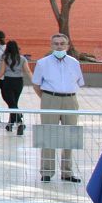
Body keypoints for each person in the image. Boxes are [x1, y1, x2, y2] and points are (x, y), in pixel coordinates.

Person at [31, 33, 84, 183]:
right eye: (56, 43)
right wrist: (47, 99)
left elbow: (78, 81)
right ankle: (46, 171)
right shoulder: (42, 63)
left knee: (70, 135)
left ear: (67, 46)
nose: (59, 46)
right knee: (48, 134)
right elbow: (36, 84)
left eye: (62, 43)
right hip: (50, 98)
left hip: (70, 100)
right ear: (51, 45)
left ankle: (67, 172)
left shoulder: (74, 63)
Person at [0, 40, 32, 135]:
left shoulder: (5, 58)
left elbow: (2, 71)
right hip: (19, 82)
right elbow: (28, 71)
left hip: (8, 81)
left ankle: (19, 122)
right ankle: (10, 124)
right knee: (13, 103)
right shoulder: (23, 59)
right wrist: (34, 81)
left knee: (11, 103)